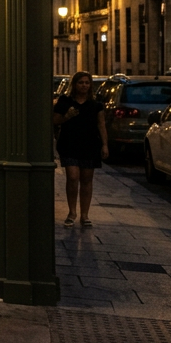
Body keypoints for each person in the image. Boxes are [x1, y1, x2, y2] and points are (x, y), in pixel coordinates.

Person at [54, 71, 107, 228]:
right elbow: (54, 120)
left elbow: (101, 124)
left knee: (86, 179)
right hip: (69, 144)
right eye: (81, 82)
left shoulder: (96, 105)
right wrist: (67, 116)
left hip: (89, 145)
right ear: (74, 85)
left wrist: (105, 144)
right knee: (72, 177)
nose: (84, 85)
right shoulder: (65, 101)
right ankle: (72, 212)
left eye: (87, 83)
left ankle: (85, 214)